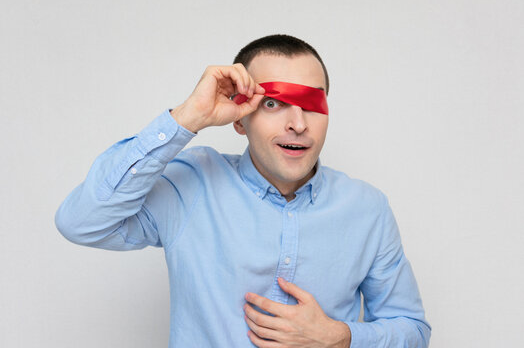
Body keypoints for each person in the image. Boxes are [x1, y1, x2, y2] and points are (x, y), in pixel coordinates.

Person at [55, 34, 431, 347]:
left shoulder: (367, 208)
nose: (298, 123)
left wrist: (341, 336)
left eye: (312, 104)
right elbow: (82, 222)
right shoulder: (192, 183)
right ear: (239, 118)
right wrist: (188, 117)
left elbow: (413, 330)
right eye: (273, 103)